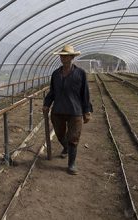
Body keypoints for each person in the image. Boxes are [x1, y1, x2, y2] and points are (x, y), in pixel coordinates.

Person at [43, 44, 93, 175]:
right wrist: (46, 103)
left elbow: (85, 93)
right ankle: (65, 147)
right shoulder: (55, 74)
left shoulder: (80, 73)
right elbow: (52, 92)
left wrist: (87, 111)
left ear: (72, 57)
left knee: (73, 138)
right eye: (61, 56)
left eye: (65, 56)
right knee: (60, 134)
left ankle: (71, 164)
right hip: (58, 110)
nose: (62, 58)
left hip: (75, 111)